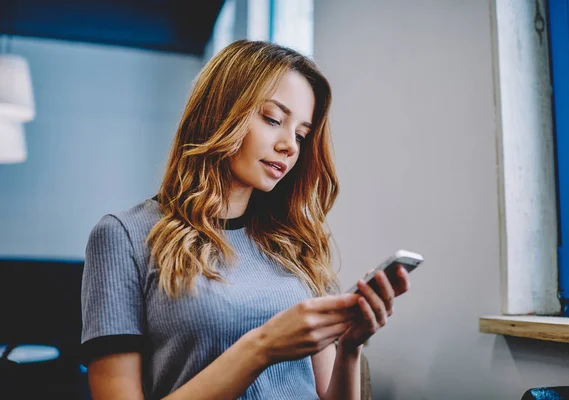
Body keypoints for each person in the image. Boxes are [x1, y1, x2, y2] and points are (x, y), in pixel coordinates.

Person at [80, 40, 410, 400]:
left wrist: (349, 347)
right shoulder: (123, 236)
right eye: (272, 119)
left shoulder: (295, 245)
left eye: (301, 134)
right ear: (220, 112)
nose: (290, 146)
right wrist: (262, 347)